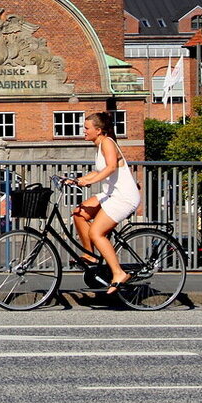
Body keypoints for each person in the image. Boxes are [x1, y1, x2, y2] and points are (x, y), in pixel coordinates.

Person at [69, 111, 141, 294]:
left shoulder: (108, 143)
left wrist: (90, 182)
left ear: (98, 130)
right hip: (110, 194)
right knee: (79, 213)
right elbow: (98, 171)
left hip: (123, 197)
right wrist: (77, 180)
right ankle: (90, 256)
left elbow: (110, 167)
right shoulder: (100, 145)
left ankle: (118, 273)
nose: (83, 131)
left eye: (86, 128)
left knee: (96, 232)